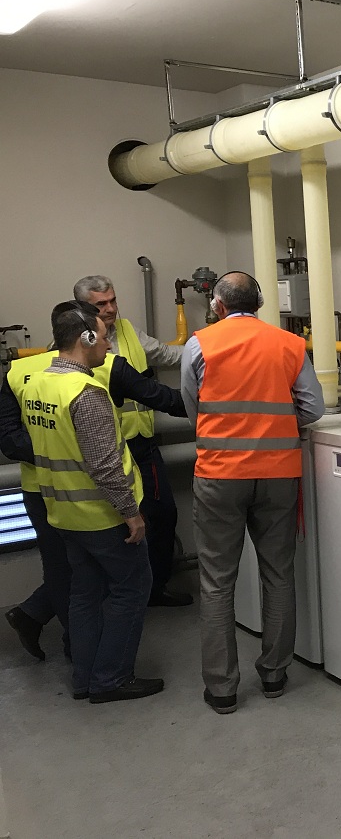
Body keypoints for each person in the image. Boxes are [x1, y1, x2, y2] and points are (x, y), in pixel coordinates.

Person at [181, 272, 323, 714]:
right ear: (259, 304)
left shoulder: (200, 345)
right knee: (278, 574)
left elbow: (193, 407)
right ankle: (275, 675)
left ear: (218, 305)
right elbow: (313, 407)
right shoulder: (290, 344)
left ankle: (222, 689)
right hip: (278, 473)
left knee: (216, 581)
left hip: (220, 474)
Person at [16, 301, 163, 703]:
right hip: (103, 516)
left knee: (83, 594)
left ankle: (84, 677)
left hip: (63, 512)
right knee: (132, 589)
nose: (108, 345)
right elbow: (104, 464)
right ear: (85, 338)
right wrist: (131, 514)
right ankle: (111, 678)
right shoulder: (86, 392)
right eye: (102, 336)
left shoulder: (38, 384)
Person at [1, 343, 187, 662]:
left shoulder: (20, 372)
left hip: (44, 491)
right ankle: (93, 663)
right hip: (94, 496)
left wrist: (51, 452)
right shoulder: (106, 365)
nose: (107, 340)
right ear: (84, 335)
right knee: (106, 579)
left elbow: (9, 439)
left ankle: (75, 652)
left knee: (71, 576)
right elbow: (166, 399)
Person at [74, 275, 191, 607]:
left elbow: (167, 355)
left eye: (113, 300)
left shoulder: (127, 330)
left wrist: (212, 349)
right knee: (113, 527)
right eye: (101, 304)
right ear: (83, 308)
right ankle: (119, 595)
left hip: (141, 443)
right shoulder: (73, 343)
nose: (111, 308)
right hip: (104, 449)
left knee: (162, 515)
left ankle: (155, 588)